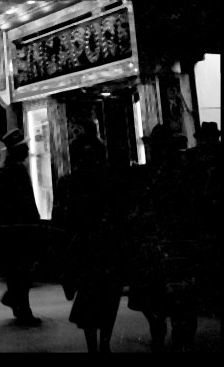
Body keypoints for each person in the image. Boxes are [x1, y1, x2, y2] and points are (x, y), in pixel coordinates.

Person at [52, 127, 129, 353]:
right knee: (106, 297)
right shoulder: (107, 179)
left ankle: (96, 345)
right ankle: (102, 343)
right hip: (102, 248)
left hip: (86, 249)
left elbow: (60, 220)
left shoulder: (69, 182)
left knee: (91, 298)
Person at [127, 124, 202, 353]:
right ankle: (177, 336)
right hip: (176, 244)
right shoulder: (182, 171)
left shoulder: (160, 173)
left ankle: (167, 335)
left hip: (166, 245)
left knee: (161, 298)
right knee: (177, 300)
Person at [0, 128, 43, 326]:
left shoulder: (4, 169)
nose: (28, 149)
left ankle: (17, 304)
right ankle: (22, 308)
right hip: (20, 229)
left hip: (10, 229)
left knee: (16, 271)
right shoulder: (15, 171)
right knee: (22, 271)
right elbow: (25, 202)